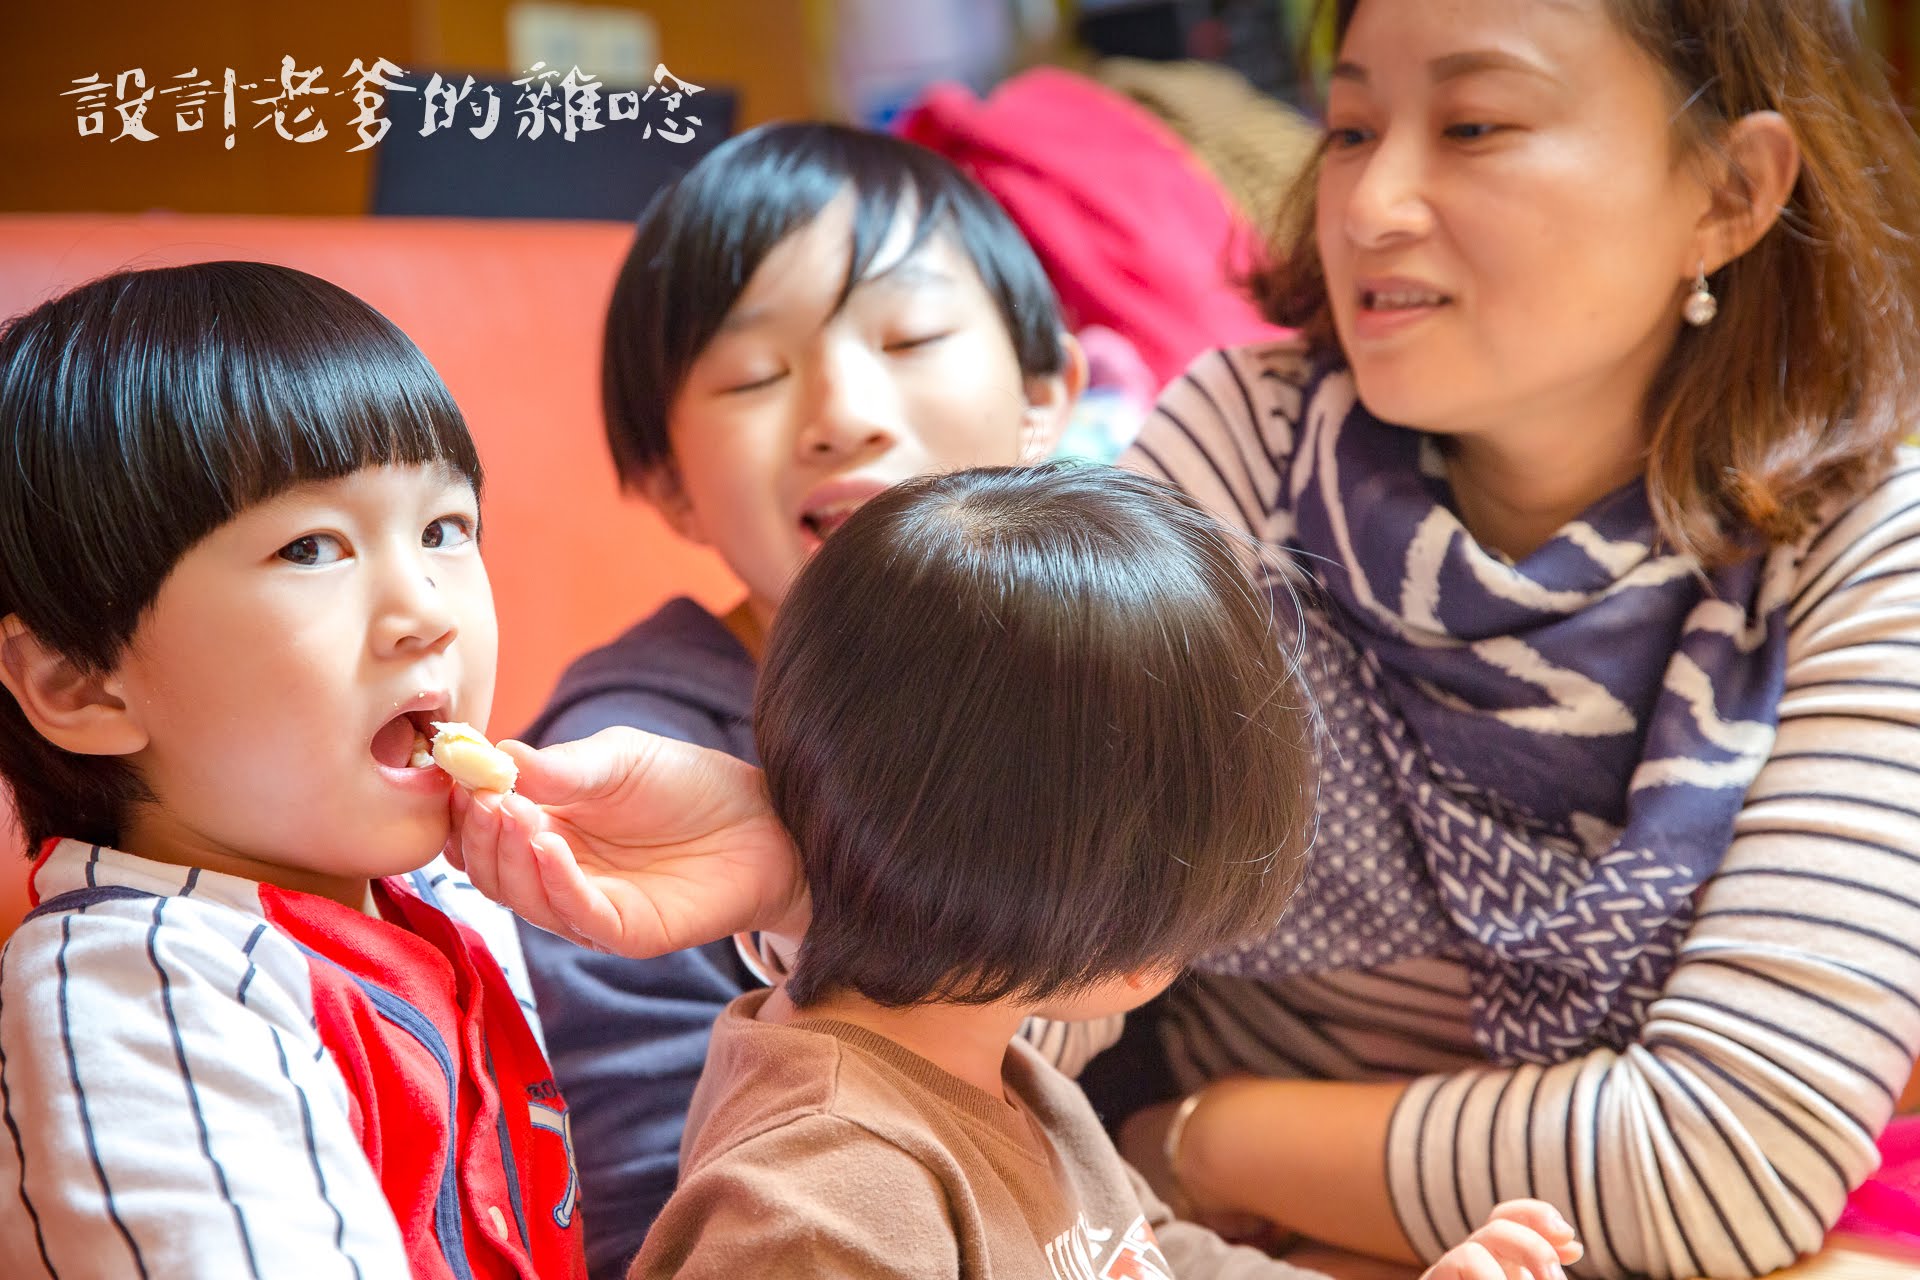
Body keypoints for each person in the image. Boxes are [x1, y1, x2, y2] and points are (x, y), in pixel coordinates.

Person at [452, 2, 1920, 1276]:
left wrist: (1195, 1138)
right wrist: (828, 859)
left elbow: (1731, 1155)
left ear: (1734, 189)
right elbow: (1018, 1015)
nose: (1372, 203)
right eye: (1347, 130)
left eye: (1474, 125)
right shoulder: (1245, 442)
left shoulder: (1868, 538)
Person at [639, 459, 1583, 1280]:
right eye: (1177, 871)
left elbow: (1151, 1251)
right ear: (1044, 862)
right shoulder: (824, 1204)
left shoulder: (985, 1064)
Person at [515, 121, 1094, 1277]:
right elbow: (662, 1210)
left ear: (1049, 396)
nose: (844, 410)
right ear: (671, 482)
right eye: (756, 374)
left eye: (912, 334)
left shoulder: (1114, 675)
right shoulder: (628, 783)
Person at [0, 262, 585, 1279]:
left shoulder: (447, 891)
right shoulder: (136, 994)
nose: (429, 608)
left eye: (445, 529)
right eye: (313, 545)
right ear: (82, 682)